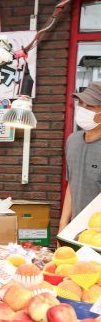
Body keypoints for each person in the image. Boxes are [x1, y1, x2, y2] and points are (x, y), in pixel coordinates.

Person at [59, 82, 101, 232]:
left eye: (90, 106)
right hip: (76, 229)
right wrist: (64, 224)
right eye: (81, 103)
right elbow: (72, 184)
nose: (83, 109)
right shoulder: (73, 140)